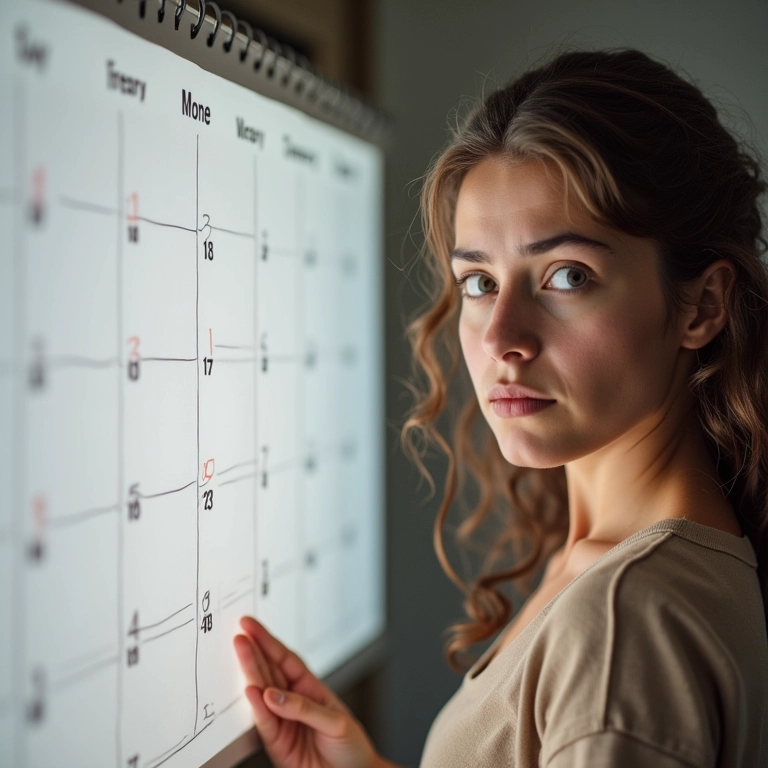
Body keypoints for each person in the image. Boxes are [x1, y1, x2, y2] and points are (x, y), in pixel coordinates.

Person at [234, 46, 768, 767]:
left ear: (702, 305)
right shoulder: (618, 567)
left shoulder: (626, 620)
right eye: (480, 282)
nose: (503, 337)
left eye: (567, 275)